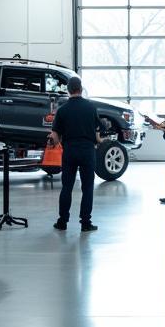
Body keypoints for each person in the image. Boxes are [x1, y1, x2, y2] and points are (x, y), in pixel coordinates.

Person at [48, 76, 100, 232]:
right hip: (87, 151)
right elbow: (97, 134)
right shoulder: (91, 108)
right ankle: (85, 223)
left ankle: (62, 222)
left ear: (68, 90)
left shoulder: (62, 110)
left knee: (67, 187)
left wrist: (51, 141)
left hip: (70, 151)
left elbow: (55, 138)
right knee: (87, 187)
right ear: (81, 88)